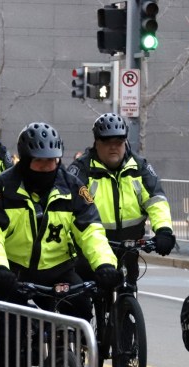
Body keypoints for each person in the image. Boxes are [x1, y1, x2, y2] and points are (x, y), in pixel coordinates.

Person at [0, 121, 121, 367]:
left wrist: (105, 265)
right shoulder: (0, 189)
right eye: (40, 161)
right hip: (13, 275)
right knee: (8, 350)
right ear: (26, 160)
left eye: (52, 161)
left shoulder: (73, 188)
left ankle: (62, 364)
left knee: (81, 305)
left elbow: (91, 231)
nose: (47, 167)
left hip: (58, 271)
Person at [67, 113, 176, 285]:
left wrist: (164, 230)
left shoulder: (139, 167)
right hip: (90, 251)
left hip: (128, 248)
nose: (113, 147)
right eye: (106, 142)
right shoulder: (82, 170)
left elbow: (156, 200)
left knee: (128, 290)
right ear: (96, 143)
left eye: (118, 142)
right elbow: (72, 210)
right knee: (86, 298)